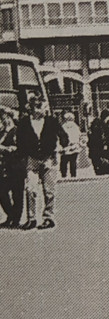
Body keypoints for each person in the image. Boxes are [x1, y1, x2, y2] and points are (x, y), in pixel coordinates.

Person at [17, 93, 68, 230]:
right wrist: (23, 158)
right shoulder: (24, 122)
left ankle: (48, 217)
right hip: (32, 159)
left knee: (49, 190)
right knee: (31, 189)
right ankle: (32, 218)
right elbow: (19, 142)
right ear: (32, 107)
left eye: (43, 107)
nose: (42, 110)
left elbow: (63, 135)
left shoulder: (51, 121)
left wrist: (63, 145)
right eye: (38, 107)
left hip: (49, 158)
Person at [0, 106, 25, 228]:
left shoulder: (17, 131)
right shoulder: (1, 132)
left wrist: (6, 149)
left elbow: (19, 147)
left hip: (16, 166)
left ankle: (15, 219)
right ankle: (11, 214)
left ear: (9, 117)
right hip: (3, 167)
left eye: (3, 116)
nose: (2, 119)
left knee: (17, 193)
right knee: (2, 192)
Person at [87, 110, 109, 176]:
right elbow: (102, 137)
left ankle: (100, 172)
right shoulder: (102, 124)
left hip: (94, 148)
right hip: (101, 148)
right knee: (104, 163)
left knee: (97, 163)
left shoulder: (95, 123)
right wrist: (105, 145)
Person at [59, 112, 82, 178]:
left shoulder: (63, 126)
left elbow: (61, 136)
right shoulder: (75, 126)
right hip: (75, 146)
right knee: (73, 161)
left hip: (66, 147)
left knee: (64, 162)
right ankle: (73, 175)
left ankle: (64, 175)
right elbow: (79, 136)